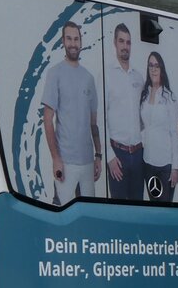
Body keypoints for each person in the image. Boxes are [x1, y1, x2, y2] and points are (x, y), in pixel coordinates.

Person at [42, 21, 102, 204]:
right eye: (69, 38)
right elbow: (47, 120)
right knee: (62, 219)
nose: (73, 43)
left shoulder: (89, 79)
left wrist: (98, 155)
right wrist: (55, 159)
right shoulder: (55, 74)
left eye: (76, 39)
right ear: (63, 41)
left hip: (87, 163)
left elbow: (93, 124)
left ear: (81, 42)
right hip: (66, 163)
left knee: (88, 218)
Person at [105, 23, 145, 200]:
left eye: (128, 42)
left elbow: (144, 117)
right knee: (120, 211)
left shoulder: (138, 77)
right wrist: (109, 157)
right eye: (121, 41)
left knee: (139, 209)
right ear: (115, 43)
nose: (125, 46)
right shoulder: (107, 75)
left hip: (138, 154)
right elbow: (99, 118)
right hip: (118, 154)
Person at [139, 51, 178, 200]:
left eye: (157, 65)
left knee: (165, 212)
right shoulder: (144, 95)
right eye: (150, 65)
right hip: (147, 163)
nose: (153, 69)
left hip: (165, 166)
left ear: (161, 69)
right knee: (154, 210)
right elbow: (144, 125)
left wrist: (175, 167)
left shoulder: (169, 97)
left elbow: (175, 133)